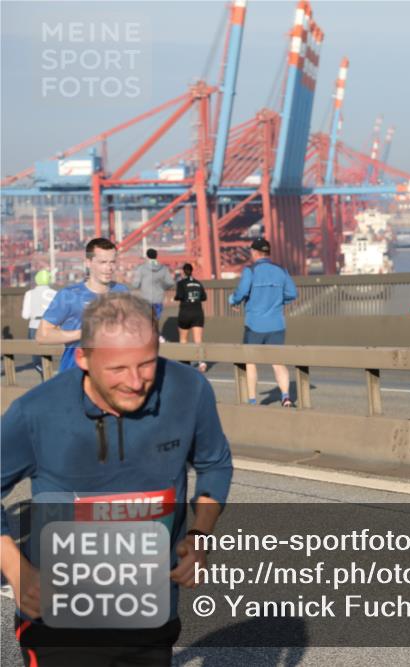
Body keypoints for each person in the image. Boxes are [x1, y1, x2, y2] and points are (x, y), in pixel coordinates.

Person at [1, 292, 233, 666]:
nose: (136, 382)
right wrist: (17, 570)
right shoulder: (36, 412)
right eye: (118, 369)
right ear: (83, 358)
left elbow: (215, 464)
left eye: (147, 364)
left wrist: (199, 535)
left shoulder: (189, 390)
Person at [36, 237, 129, 373]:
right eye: (102, 262)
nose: (109, 268)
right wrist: (84, 333)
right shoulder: (69, 295)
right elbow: (42, 336)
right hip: (76, 374)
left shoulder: (122, 292)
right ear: (88, 263)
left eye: (112, 262)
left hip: (113, 373)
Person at [228, 237, 298, 407]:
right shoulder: (281, 270)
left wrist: (233, 301)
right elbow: (292, 293)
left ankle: (252, 400)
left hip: (254, 325)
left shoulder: (250, 271)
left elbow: (241, 292)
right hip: (276, 324)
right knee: (278, 362)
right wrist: (279, 301)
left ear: (254, 252)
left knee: (250, 362)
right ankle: (286, 397)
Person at [20, 269, 57, 374]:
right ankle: (49, 376)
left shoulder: (29, 293)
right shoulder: (55, 293)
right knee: (47, 355)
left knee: (36, 359)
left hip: (34, 326)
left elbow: (25, 316)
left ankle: (44, 376)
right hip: (50, 326)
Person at [175, 263, 208, 372]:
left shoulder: (181, 283)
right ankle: (202, 362)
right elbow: (204, 297)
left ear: (183, 271)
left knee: (183, 339)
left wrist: (177, 297)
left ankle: (185, 363)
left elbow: (179, 296)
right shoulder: (198, 283)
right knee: (198, 340)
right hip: (197, 312)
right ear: (192, 271)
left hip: (185, 312)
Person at [132, 248, 175, 324]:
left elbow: (135, 285)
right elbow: (170, 283)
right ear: (156, 256)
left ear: (147, 256)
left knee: (147, 321)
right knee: (156, 321)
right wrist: (162, 287)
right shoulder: (163, 268)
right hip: (158, 299)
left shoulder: (141, 268)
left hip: (145, 299)